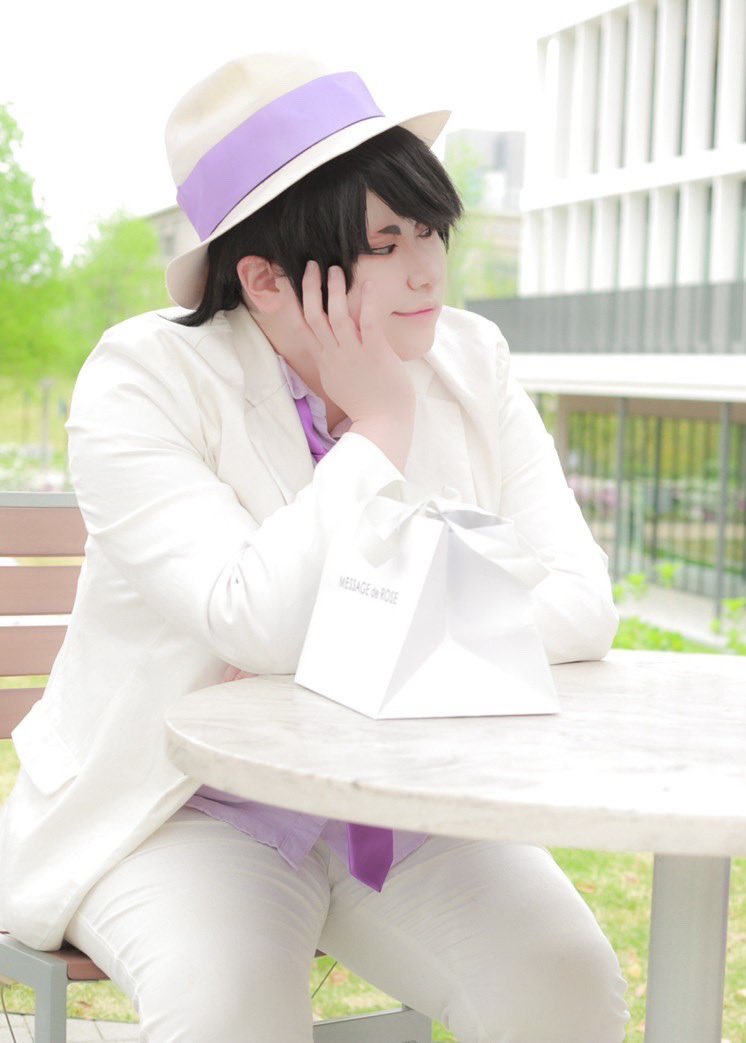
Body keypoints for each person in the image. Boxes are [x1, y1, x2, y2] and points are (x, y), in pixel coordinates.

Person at [0, 53, 630, 1041]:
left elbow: (582, 606)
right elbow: (252, 619)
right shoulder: (142, 381)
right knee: (231, 1013)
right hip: (186, 807)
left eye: (430, 229)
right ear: (264, 277)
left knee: (564, 986)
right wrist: (377, 428)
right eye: (385, 241)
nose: (427, 268)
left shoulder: (471, 360)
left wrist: (368, 627)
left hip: (400, 802)